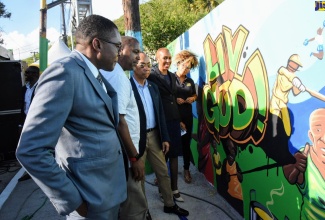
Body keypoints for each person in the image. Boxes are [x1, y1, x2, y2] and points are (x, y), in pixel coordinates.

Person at [16, 15, 128, 219]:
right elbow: (31, 150)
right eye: (117, 46)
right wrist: (73, 201)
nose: (119, 53)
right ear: (97, 44)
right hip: (89, 200)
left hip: (106, 193)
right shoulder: (64, 73)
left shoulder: (93, 73)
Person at [131, 52, 189, 217]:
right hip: (138, 138)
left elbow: (160, 114)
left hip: (155, 135)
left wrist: (165, 137)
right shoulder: (128, 87)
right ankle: (143, 211)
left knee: (163, 172)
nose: (147, 68)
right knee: (139, 177)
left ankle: (169, 204)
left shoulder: (153, 87)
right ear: (133, 66)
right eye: (143, 65)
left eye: (148, 65)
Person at [100, 36, 147, 220]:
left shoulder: (115, 74)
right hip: (127, 159)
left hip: (123, 155)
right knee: (134, 208)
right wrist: (134, 158)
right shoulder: (119, 78)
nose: (138, 56)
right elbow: (120, 122)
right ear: (120, 50)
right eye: (134, 51)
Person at [148, 48, 184, 202]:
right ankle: (164, 190)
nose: (168, 61)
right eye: (165, 58)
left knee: (175, 156)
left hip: (174, 121)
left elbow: (174, 99)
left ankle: (175, 188)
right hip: (160, 123)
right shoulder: (151, 76)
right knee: (162, 157)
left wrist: (180, 119)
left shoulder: (172, 76)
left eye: (170, 58)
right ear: (157, 59)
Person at [283, 108, 325, 219]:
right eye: (318, 130)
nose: (324, 138)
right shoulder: (304, 157)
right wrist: (295, 168)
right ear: (311, 136)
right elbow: (290, 174)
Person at [174, 50, 199, 184]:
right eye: (185, 66)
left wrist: (192, 98)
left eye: (189, 67)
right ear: (178, 64)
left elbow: (195, 95)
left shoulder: (190, 81)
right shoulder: (170, 79)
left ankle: (186, 169)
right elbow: (165, 97)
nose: (186, 70)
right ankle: (164, 173)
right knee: (170, 145)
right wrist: (174, 99)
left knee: (186, 144)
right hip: (173, 118)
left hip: (187, 117)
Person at [270, 54, 306, 136]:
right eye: (292, 64)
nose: (293, 67)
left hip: (283, 103)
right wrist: (295, 80)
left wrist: (301, 88)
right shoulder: (282, 70)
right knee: (273, 123)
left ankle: (285, 141)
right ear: (289, 62)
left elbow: (295, 92)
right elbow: (287, 74)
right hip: (275, 100)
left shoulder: (294, 79)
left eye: (295, 66)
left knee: (287, 128)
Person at [18, 65, 40, 182]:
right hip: (26, 120)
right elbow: (23, 106)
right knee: (26, 147)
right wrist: (20, 123)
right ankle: (29, 171)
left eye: (29, 73)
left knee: (39, 146)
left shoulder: (41, 87)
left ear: (36, 74)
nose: (26, 75)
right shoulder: (24, 89)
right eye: (26, 73)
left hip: (38, 121)